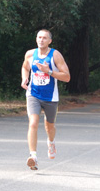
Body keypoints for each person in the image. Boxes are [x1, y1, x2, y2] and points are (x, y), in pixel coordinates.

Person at [21, 29, 71, 170]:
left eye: (44, 38)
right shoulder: (30, 54)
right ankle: (33, 156)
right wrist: (24, 78)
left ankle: (51, 142)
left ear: (50, 41)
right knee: (33, 123)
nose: (41, 40)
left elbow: (67, 77)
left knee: (49, 126)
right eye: (39, 37)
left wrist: (48, 71)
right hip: (33, 94)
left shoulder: (55, 55)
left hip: (50, 97)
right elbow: (25, 67)